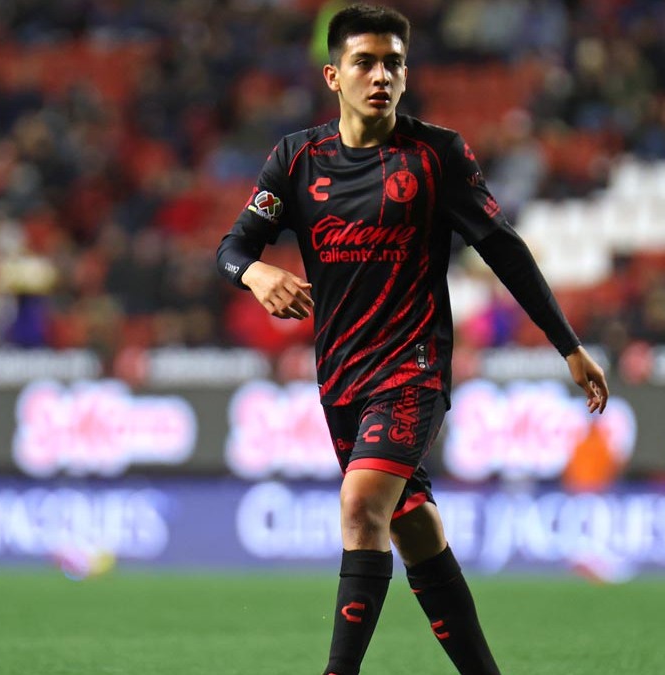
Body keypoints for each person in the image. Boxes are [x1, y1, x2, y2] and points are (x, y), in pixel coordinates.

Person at [216, 5, 609, 674]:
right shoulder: (296, 158)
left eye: (393, 64)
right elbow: (232, 247)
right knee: (412, 525)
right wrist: (254, 273)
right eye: (365, 63)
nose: (381, 76)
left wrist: (567, 345)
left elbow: (504, 250)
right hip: (341, 375)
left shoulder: (437, 156)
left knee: (360, 504)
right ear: (333, 76)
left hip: (413, 369)